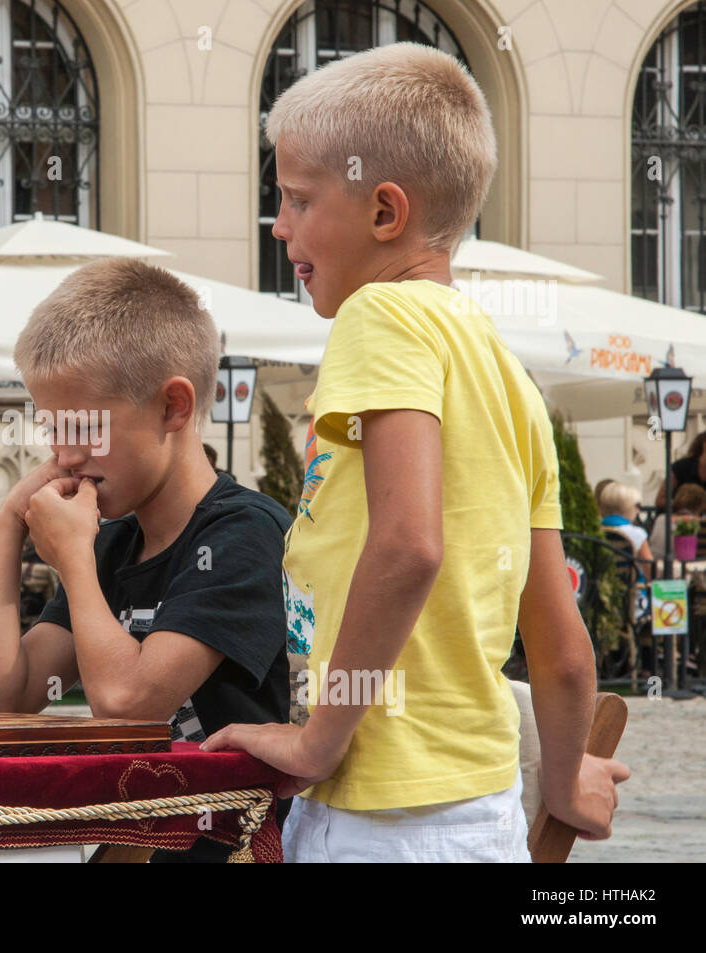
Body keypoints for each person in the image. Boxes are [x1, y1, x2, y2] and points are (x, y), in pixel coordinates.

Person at [200, 43, 629, 862]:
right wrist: (567, 779)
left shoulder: (381, 317)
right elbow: (563, 647)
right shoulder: (509, 379)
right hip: (478, 809)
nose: (280, 224)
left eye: (296, 198)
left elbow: (408, 545)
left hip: (377, 813)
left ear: (385, 214)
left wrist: (316, 743)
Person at [0, 257, 294, 862]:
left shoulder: (246, 533)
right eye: (51, 428)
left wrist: (74, 562)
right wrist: (10, 525)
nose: (63, 455)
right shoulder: (115, 542)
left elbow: (131, 704)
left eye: (83, 427)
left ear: (173, 408)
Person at [599, 482, 655, 581]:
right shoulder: (637, 533)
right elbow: (650, 569)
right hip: (632, 592)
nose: (638, 510)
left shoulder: (595, 530)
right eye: (636, 505)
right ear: (627, 507)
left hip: (599, 589)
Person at [647, 483, 706, 557]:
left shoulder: (661, 519)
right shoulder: (699, 523)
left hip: (655, 563)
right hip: (683, 565)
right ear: (701, 504)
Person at [655, 432, 706, 508]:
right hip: (677, 516)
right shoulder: (682, 466)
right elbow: (660, 500)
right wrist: (682, 504)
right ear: (703, 445)